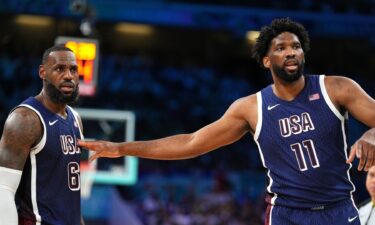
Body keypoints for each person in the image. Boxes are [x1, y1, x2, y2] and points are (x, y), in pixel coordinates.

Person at [78, 18, 375, 225]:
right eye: (281, 48)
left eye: (296, 46)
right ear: (266, 61)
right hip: (287, 214)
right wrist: (122, 148)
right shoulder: (251, 108)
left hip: (338, 209)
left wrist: (371, 135)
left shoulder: (336, 87)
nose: (290, 52)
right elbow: (191, 143)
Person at [0, 45, 84, 225]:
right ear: (43, 72)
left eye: (73, 69)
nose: (69, 76)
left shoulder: (76, 119)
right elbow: (3, 189)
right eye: (59, 69)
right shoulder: (25, 119)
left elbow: (71, 197)